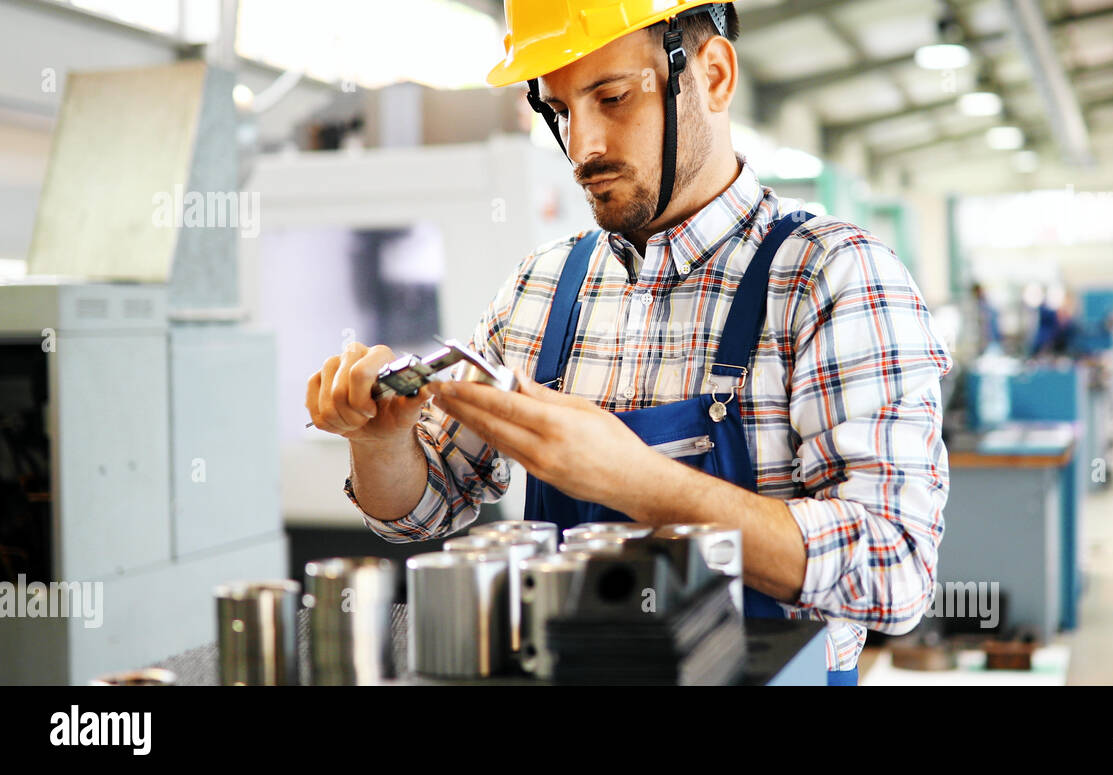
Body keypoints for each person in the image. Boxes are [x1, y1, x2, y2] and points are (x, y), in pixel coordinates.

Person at [305, 0, 953, 684]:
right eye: (557, 110)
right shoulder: (538, 288)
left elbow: (896, 570)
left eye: (612, 97)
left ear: (714, 75)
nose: (582, 146)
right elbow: (424, 509)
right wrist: (381, 443)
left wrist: (639, 481)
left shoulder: (829, 278)